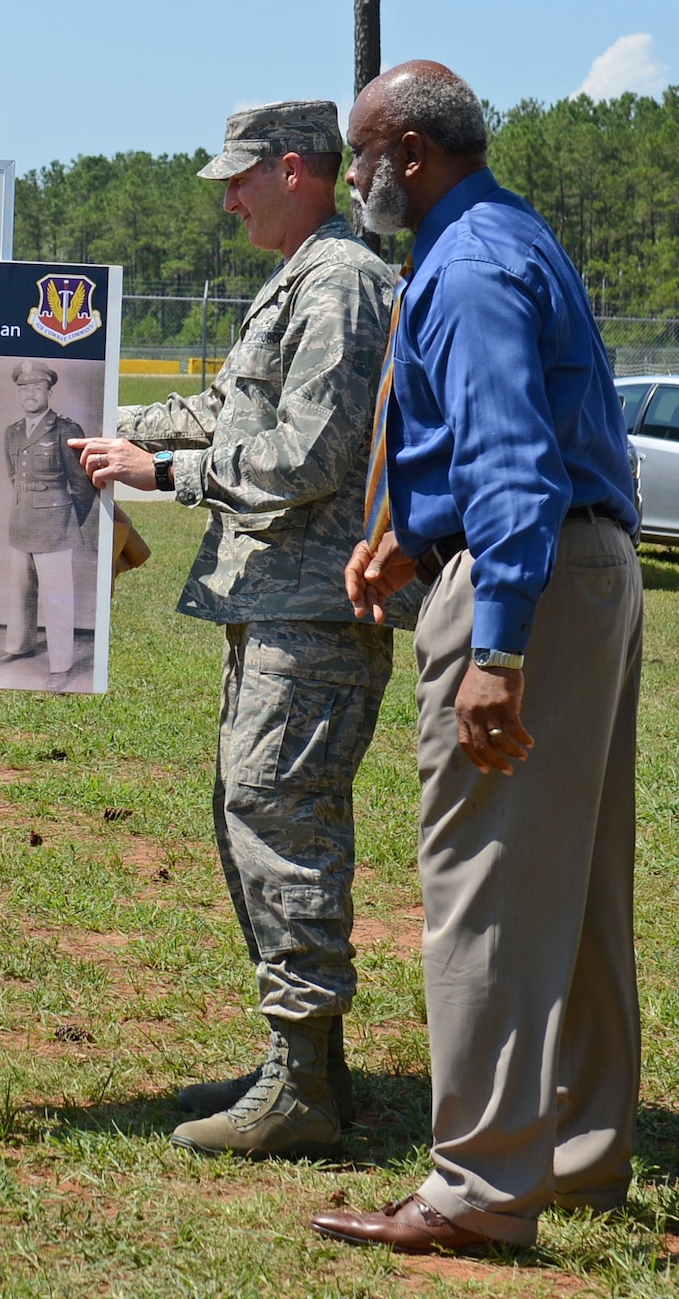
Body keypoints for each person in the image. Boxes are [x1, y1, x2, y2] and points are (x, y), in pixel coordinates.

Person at [312, 61, 642, 1253]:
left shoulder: (466, 266)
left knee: (485, 885)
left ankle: (478, 1191)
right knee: (572, 883)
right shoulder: (507, 236)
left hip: (530, 586)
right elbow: (523, 440)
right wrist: (410, 532)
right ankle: (575, 1148)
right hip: (582, 570)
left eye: (360, 156)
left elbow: (514, 466)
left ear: (407, 152)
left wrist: (493, 645)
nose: (354, 180)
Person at [71, 100, 397, 1160]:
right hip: (273, 602)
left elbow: (308, 453)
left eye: (238, 177)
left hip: (311, 608)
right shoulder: (298, 278)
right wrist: (103, 421)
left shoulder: (341, 284)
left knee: (278, 817)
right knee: (250, 813)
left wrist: (161, 475)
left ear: (292, 170)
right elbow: (225, 407)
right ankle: (303, 1065)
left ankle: (301, 1082)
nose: (226, 196)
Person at [0, 360, 96, 691]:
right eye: (24, 388)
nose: (30, 393)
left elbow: (82, 487)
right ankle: (18, 645)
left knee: (57, 597)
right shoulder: (12, 432)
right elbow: (14, 478)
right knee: (20, 591)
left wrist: (68, 520)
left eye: (37, 387)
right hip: (21, 521)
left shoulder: (66, 430)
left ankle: (60, 665)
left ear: (49, 392)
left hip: (55, 524)